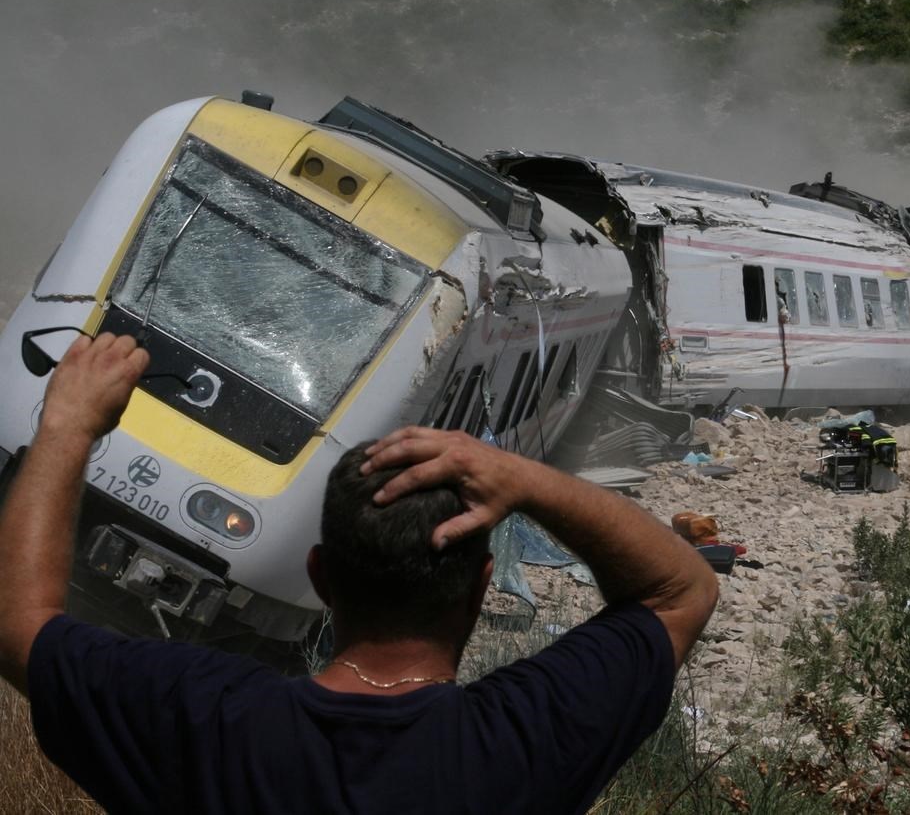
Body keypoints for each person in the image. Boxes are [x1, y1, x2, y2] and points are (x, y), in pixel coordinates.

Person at [0, 332, 719, 814]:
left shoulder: (204, 719)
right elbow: (680, 589)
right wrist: (525, 478)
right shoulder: (521, 742)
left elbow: (19, 622)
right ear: (480, 589)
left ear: (321, 578)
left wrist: (67, 425)